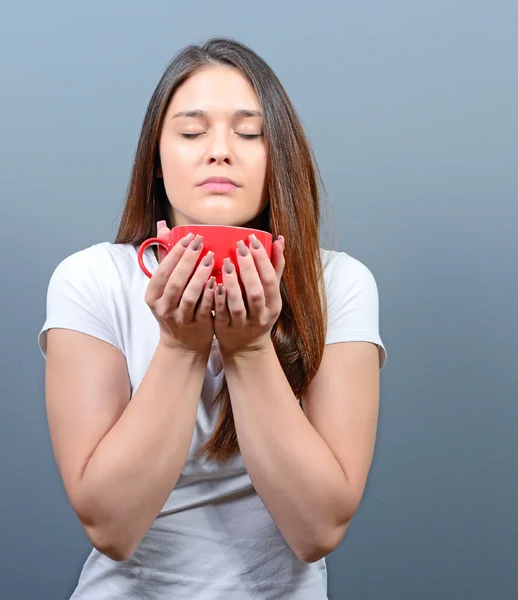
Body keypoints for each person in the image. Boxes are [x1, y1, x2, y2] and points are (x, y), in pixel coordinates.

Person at [38, 37, 387, 600]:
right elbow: (111, 527)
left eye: (249, 133)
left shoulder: (339, 285)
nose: (220, 151)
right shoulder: (91, 279)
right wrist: (180, 346)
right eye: (192, 131)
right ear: (155, 160)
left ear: (280, 157)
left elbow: (318, 529)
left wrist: (249, 349)